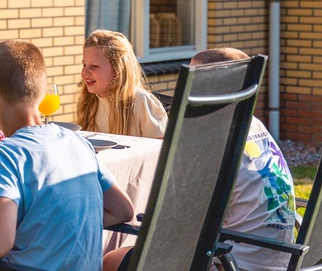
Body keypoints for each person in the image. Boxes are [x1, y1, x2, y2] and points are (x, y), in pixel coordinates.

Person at [103, 47, 295, 271]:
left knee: (111, 260)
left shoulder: (211, 137)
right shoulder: (253, 124)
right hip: (278, 259)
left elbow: (179, 222)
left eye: (195, 83)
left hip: (232, 263)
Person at [0, 39, 134, 269]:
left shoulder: (6, 154)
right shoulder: (76, 141)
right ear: (41, 92)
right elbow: (123, 210)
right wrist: (58, 227)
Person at [75, 29, 168, 138]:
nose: (84, 72)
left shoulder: (141, 102)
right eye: (84, 65)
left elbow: (161, 149)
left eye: (94, 66)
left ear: (117, 70)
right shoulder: (88, 101)